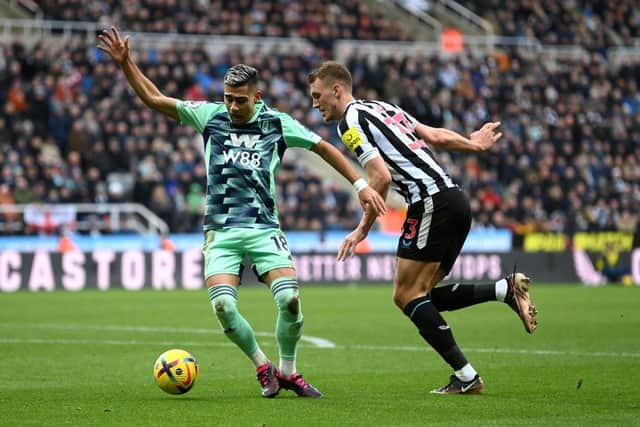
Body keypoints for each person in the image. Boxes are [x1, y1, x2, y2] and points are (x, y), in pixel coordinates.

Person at [98, 28, 386, 398]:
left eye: (240, 100)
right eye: (228, 99)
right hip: (220, 231)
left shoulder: (276, 123)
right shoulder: (209, 116)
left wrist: (359, 184)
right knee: (222, 305)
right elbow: (155, 99)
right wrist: (126, 63)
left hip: (264, 228)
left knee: (289, 300)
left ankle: (288, 371)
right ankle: (262, 366)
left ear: (257, 97)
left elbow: (323, 148)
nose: (233, 107)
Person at [308, 61, 538, 394]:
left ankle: (466, 376)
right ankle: (504, 290)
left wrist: (362, 230)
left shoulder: (350, 123)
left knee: (406, 295)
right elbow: (434, 137)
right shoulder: (385, 108)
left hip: (430, 202)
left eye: (318, 96)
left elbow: (381, 178)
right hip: (455, 199)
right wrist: (474, 144)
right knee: (422, 296)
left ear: (337, 89)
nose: (315, 104)